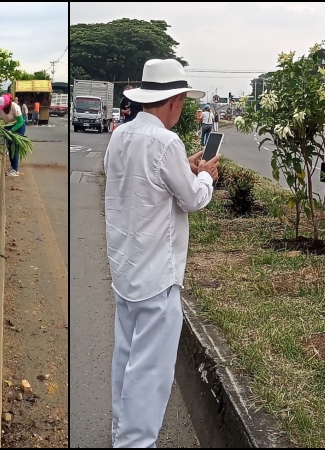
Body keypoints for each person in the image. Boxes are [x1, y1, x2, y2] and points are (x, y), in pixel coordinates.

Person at [104, 58, 221, 449]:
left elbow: (145, 182)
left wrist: (184, 168)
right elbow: (191, 199)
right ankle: (135, 443)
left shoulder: (120, 135)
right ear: (174, 101)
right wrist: (204, 175)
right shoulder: (166, 141)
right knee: (149, 371)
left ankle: (122, 432)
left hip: (125, 269)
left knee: (125, 357)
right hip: (156, 276)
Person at [0, 94, 26, 177]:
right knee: (9, 146)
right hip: (8, 126)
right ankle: (12, 168)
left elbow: (20, 122)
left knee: (14, 147)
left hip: (18, 127)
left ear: (8, 104)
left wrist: (11, 131)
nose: (1, 108)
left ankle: (15, 170)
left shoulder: (15, 107)